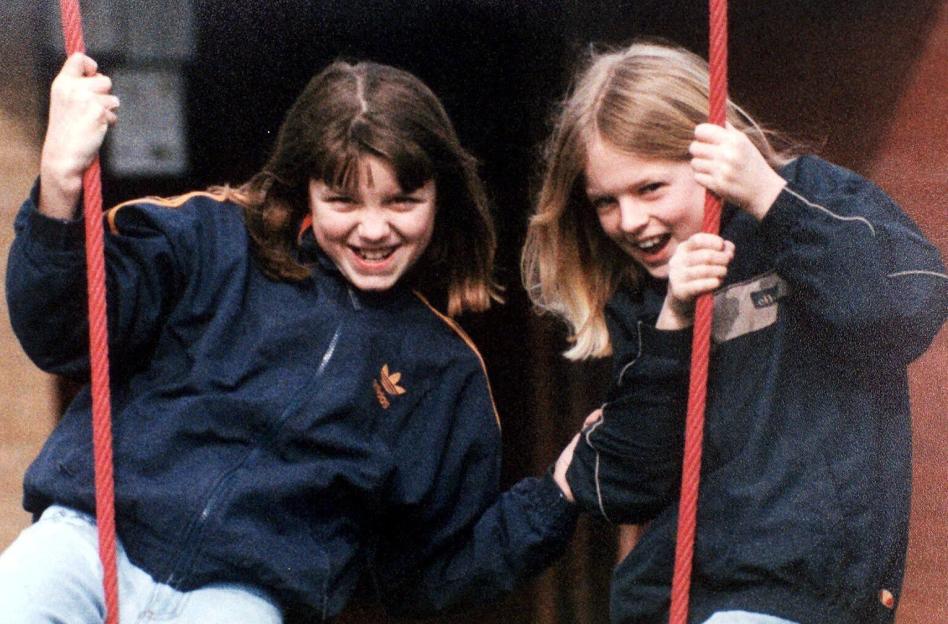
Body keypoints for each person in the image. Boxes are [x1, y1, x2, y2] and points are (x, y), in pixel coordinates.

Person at [1, 52, 577, 623]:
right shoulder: (207, 239)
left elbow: (432, 571)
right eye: (343, 200)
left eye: (403, 201)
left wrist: (556, 499)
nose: (373, 229)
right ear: (307, 187)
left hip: (238, 599)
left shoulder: (443, 371)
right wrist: (58, 183)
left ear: (441, 196)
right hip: (88, 541)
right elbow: (62, 332)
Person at [532, 40, 947, 624]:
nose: (629, 221)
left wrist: (769, 199)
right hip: (675, 599)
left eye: (650, 188)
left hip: (794, 591)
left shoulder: (808, 196)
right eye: (606, 201)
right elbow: (627, 487)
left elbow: (906, 310)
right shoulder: (642, 294)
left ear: (714, 154)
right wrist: (673, 323)